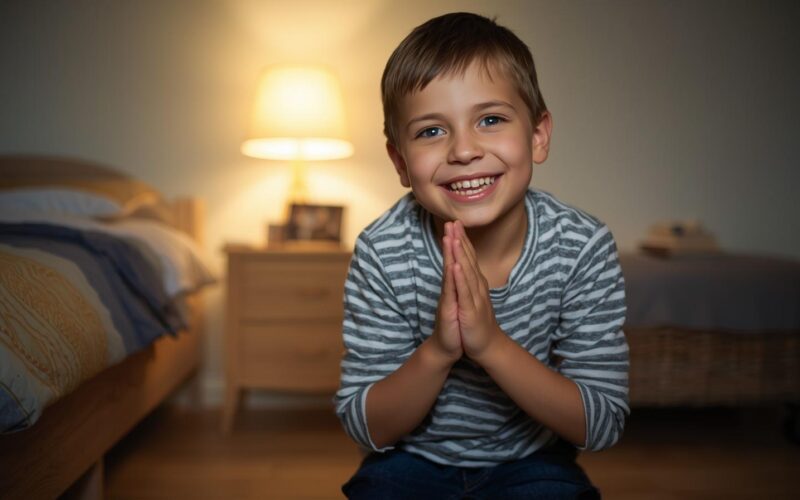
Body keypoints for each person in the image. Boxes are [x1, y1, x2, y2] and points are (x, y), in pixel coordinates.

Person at [334, 11, 628, 499]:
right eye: (431, 131)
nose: (464, 150)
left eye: (490, 120)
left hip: (532, 461)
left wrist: (491, 345)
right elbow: (367, 427)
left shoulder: (581, 247)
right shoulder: (382, 252)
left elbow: (601, 424)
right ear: (400, 162)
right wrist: (440, 351)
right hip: (411, 460)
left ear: (538, 135)